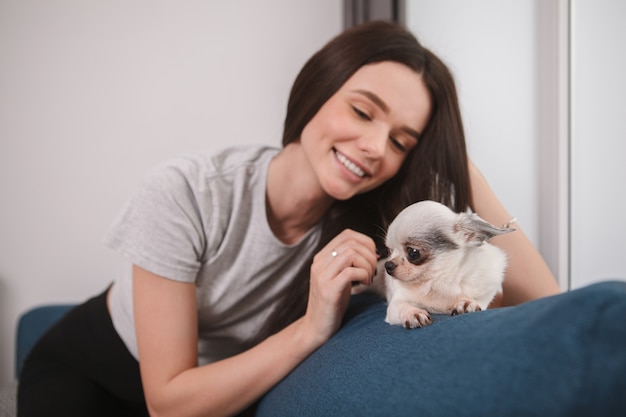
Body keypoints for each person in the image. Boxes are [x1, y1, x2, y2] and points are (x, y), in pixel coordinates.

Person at [18, 21, 566, 416]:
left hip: (222, 388)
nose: (375, 145)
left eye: (401, 141)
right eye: (361, 110)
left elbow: (547, 303)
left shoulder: (380, 231)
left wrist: (450, 156)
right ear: (317, 88)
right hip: (93, 363)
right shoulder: (185, 190)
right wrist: (310, 330)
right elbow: (169, 402)